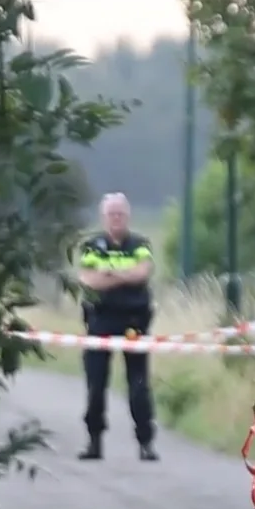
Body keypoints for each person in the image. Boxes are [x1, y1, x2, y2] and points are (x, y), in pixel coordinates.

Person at [75, 192, 158, 461]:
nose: (116, 219)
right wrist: (125, 277)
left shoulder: (140, 244)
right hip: (100, 320)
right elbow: (89, 281)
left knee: (138, 384)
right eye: (111, 214)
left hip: (134, 320)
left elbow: (143, 273)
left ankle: (146, 443)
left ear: (128, 216)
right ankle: (94, 442)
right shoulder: (92, 245)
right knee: (95, 384)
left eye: (120, 213)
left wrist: (110, 274)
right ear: (104, 217)